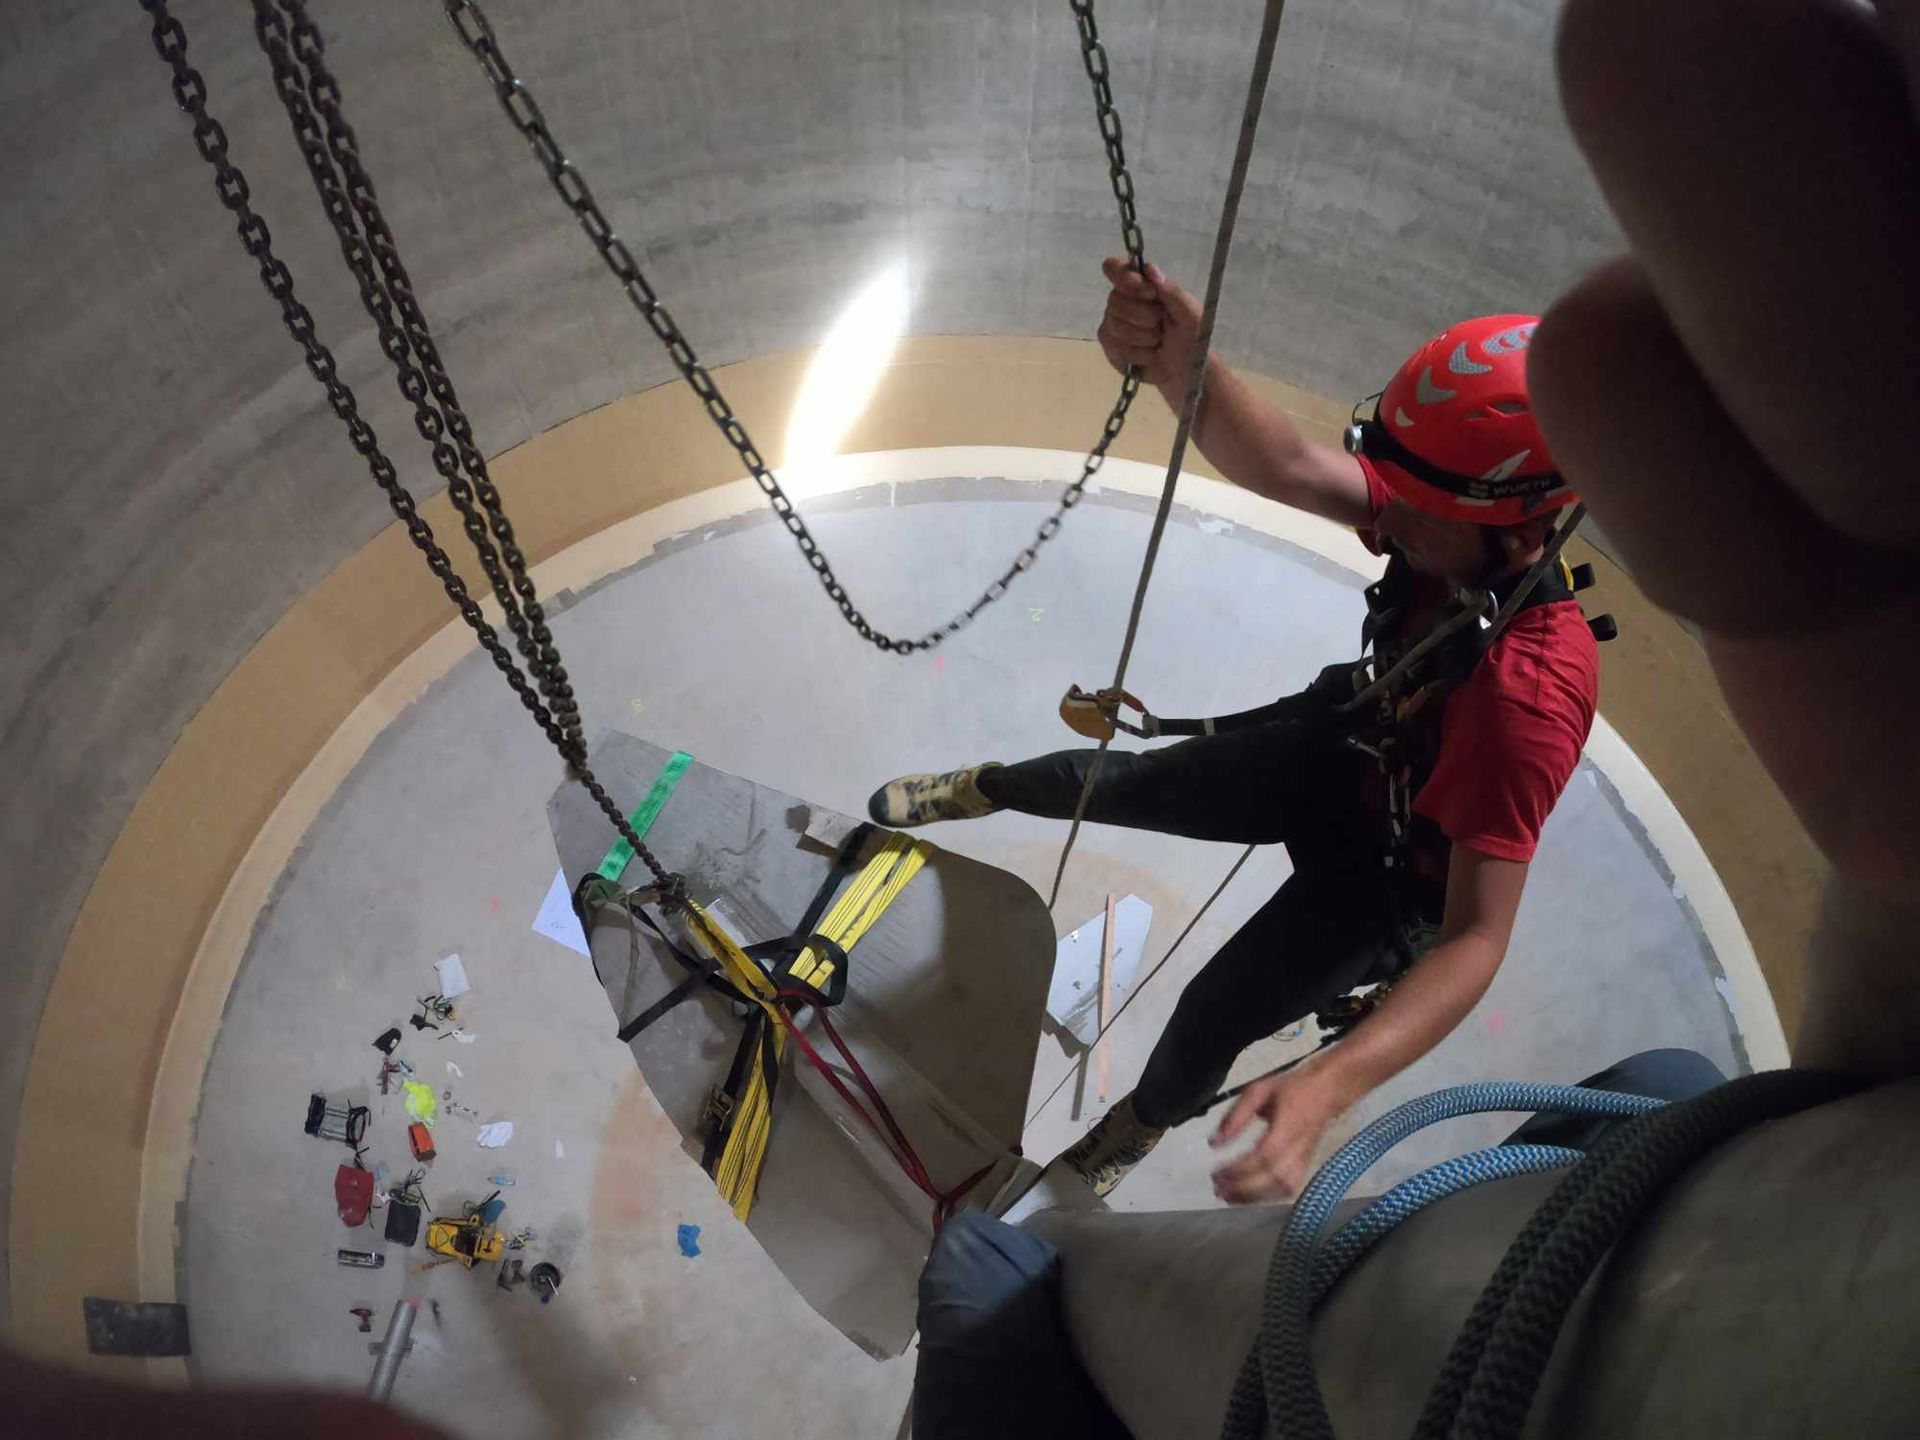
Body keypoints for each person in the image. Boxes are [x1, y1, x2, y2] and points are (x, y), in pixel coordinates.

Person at [870, 276, 1602, 1204]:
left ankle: (1135, 1125)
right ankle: (990, 786)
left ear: (1518, 526)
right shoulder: (1449, 522)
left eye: (1418, 506)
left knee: (1211, 1017)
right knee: (1128, 782)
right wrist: (1188, 373)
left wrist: (1330, 1084)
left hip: (1388, 880)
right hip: (1353, 748)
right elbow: (1293, 465)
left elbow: (1475, 937)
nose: (1388, 513)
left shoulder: (1525, 699)